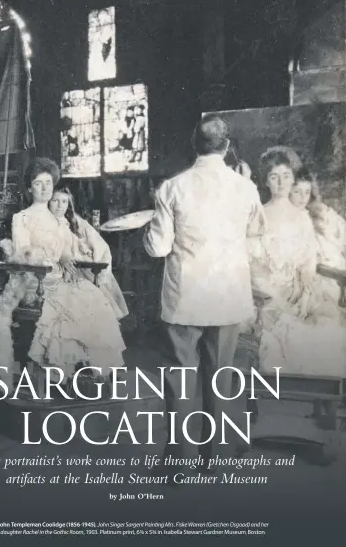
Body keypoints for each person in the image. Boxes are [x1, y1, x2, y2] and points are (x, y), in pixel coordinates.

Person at [143, 114, 266, 476]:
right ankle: (213, 460)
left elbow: (157, 248)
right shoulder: (245, 188)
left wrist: (148, 230)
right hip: (228, 297)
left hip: (186, 298)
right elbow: (257, 237)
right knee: (220, 376)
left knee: (181, 378)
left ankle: (177, 463)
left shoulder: (172, 187)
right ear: (227, 147)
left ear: (193, 144)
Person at [0, 158, 126, 392]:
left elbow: (67, 247)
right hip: (35, 280)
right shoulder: (22, 218)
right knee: (74, 305)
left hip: (60, 277)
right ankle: (57, 372)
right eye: (37, 183)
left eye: (48, 183)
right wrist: (57, 259)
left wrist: (69, 262)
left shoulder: (58, 218)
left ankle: (90, 373)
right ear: (29, 187)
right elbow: (23, 254)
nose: (44, 189)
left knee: (94, 298)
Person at [249, 147, 346, 378]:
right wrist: (276, 294)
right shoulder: (258, 216)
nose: (281, 182)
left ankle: (327, 391)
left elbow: (307, 259)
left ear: (292, 177)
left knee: (329, 321)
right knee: (287, 329)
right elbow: (252, 265)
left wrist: (304, 286)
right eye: (274, 177)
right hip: (268, 293)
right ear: (266, 182)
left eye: (285, 176)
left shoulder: (302, 217)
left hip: (298, 292)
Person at [48, 187, 128, 320]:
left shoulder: (72, 222)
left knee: (93, 289)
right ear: (48, 202)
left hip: (76, 264)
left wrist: (86, 252)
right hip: (56, 265)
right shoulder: (45, 223)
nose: (60, 206)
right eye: (55, 201)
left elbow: (88, 241)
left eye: (64, 202)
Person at [289, 167, 346, 321]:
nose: (303, 197)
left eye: (307, 192)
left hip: (331, 273)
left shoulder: (319, 215)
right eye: (297, 192)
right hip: (312, 278)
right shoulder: (289, 220)